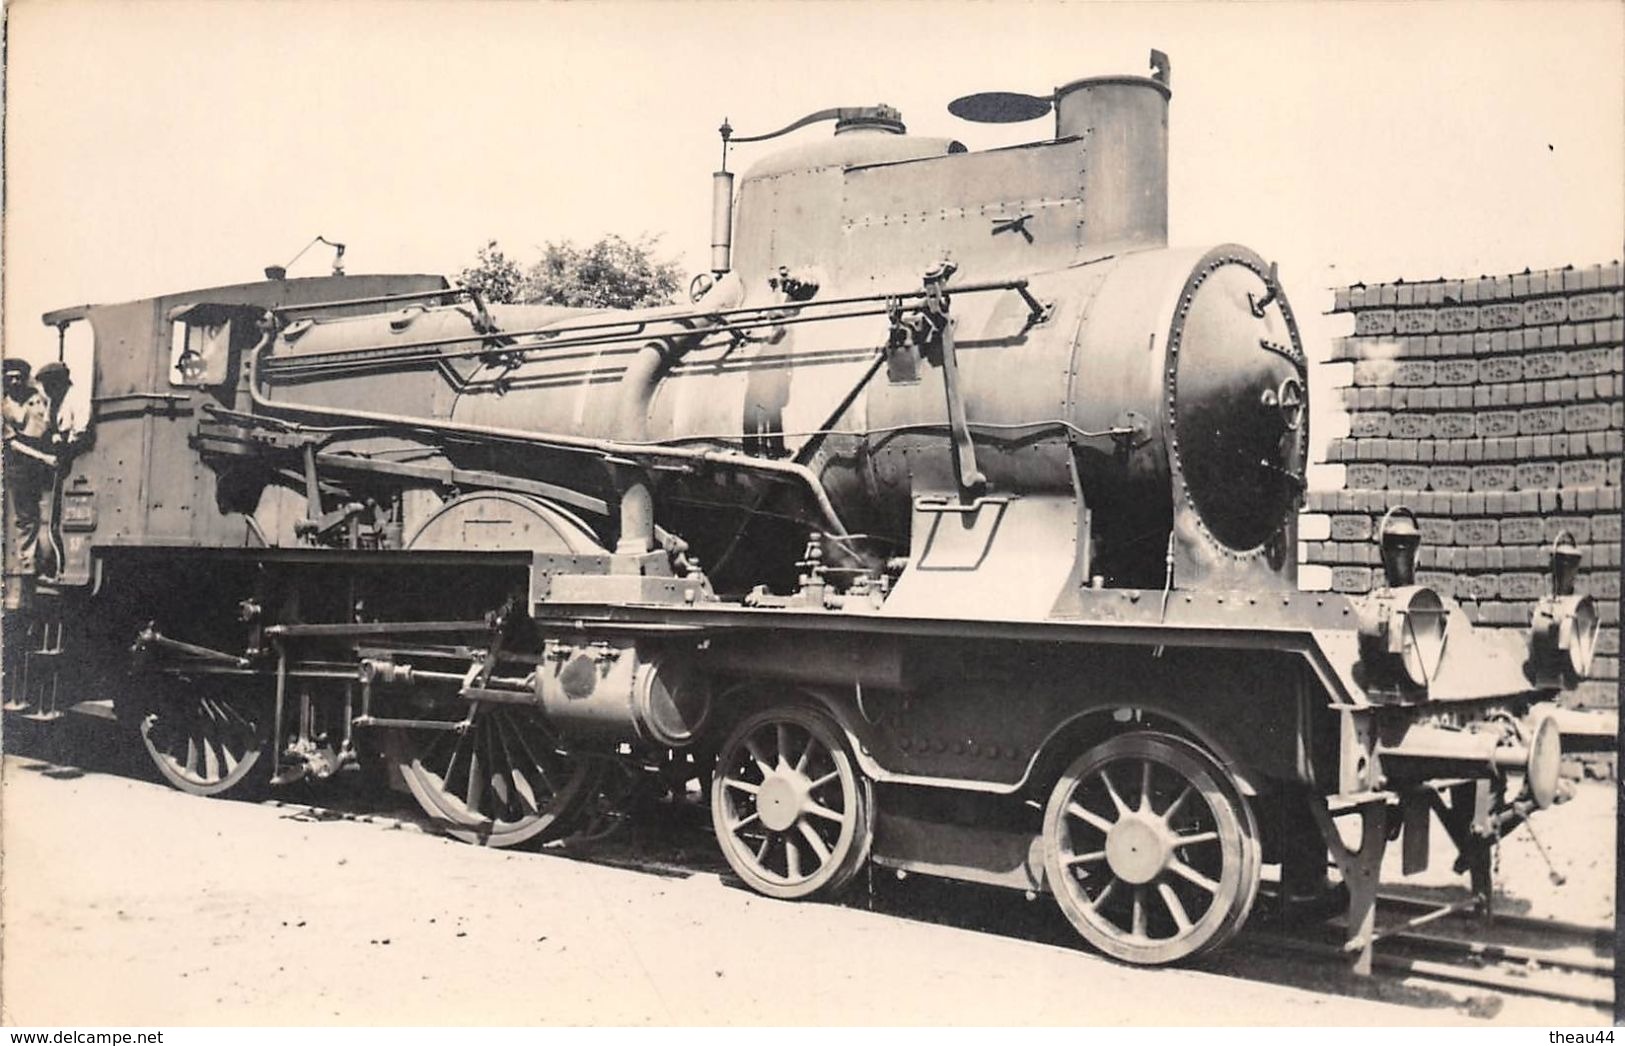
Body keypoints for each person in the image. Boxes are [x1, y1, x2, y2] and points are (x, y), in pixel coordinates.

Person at [3, 359, 56, 611]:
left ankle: (44, 561)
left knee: (44, 516)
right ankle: (27, 568)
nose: (15, 381)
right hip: (20, 464)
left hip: (42, 461)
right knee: (26, 520)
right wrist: (43, 457)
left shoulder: (36, 396)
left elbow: (46, 421)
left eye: (19, 376)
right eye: (10, 376)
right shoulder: (4, 404)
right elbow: (12, 443)